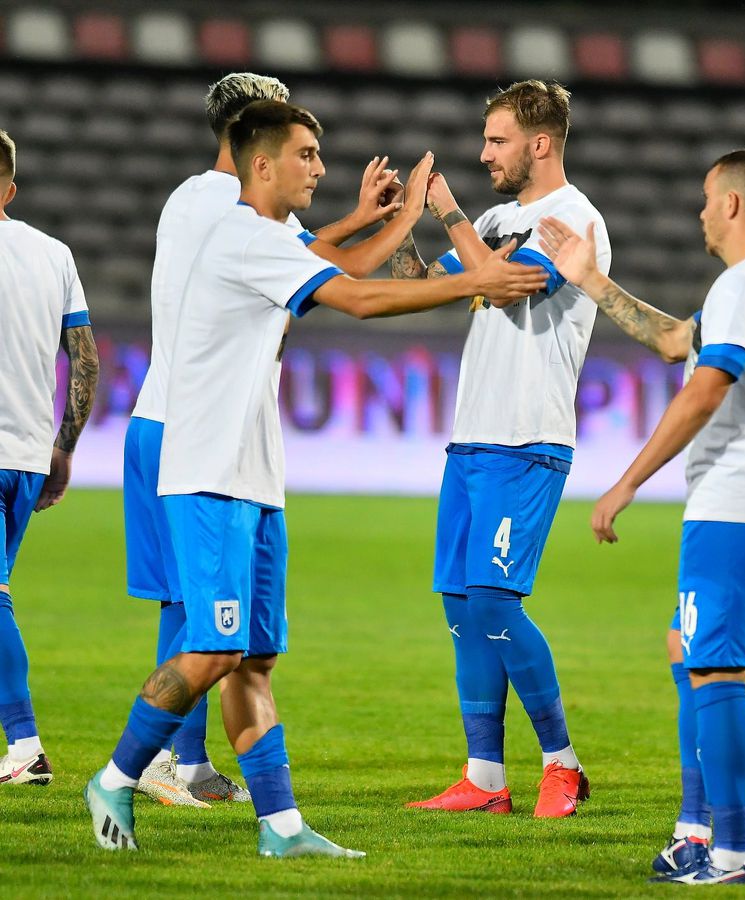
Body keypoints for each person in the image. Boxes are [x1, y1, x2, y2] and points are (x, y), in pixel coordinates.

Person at [83, 100, 546, 856]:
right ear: (261, 164)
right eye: (306, 156)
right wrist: (475, 282)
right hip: (208, 475)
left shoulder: (268, 239)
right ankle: (115, 777)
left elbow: (346, 269)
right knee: (213, 652)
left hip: (255, 478)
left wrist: (401, 229)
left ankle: (283, 827)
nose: (321, 170)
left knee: (255, 659)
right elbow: (358, 298)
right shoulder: (240, 236)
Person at [124, 71, 420, 807]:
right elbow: (324, 273)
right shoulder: (217, 204)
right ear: (250, 138)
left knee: (201, 611)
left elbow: (311, 260)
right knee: (199, 614)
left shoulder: (216, 206)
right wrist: (390, 224)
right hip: (184, 424)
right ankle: (156, 762)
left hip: (182, 421)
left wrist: (360, 221)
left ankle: (184, 763)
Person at [544, 147, 745, 884]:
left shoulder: (743, 285)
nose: (699, 211)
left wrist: (625, 483)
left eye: (706, 198)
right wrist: (592, 280)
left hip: (737, 508)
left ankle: (729, 851)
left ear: (732, 204)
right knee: (685, 646)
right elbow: (675, 341)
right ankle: (694, 829)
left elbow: (703, 387)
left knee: (718, 673)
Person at [394, 80, 608, 819]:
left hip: (529, 437)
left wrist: (447, 210)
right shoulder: (495, 216)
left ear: (540, 143)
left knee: (493, 598)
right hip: (473, 436)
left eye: (497, 140)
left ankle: (563, 763)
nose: (485, 153)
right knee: (461, 604)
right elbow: (426, 285)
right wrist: (404, 222)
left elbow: (507, 286)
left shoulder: (571, 219)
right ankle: (485, 778)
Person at [0, 127, 99, 787]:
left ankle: (26, 745)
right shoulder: (53, 253)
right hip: (28, 456)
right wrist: (62, 448)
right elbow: (86, 357)